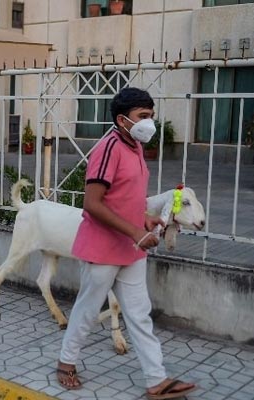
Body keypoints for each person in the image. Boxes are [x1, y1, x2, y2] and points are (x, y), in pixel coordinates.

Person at [56, 88, 196, 400]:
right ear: (122, 120)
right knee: (88, 310)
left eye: (151, 116)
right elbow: (93, 203)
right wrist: (135, 233)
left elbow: (125, 197)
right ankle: (66, 362)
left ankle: (156, 380)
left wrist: (144, 218)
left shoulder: (134, 147)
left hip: (131, 250)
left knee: (139, 314)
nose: (150, 123)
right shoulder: (108, 147)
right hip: (103, 248)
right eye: (142, 117)